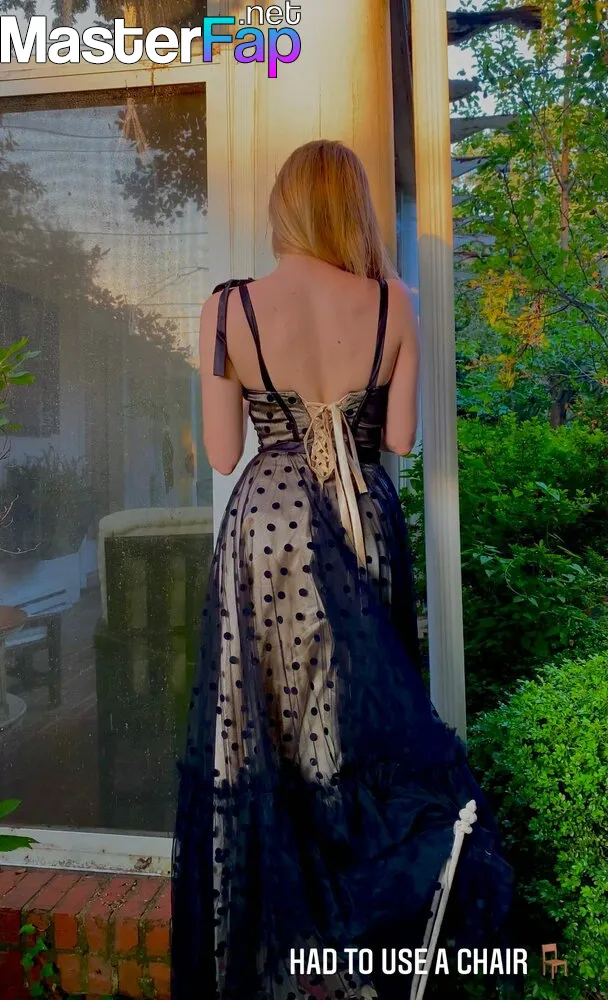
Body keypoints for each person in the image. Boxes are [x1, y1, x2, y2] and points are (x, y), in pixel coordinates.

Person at [171, 139, 513, 1000]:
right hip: (364, 522)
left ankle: (274, 957)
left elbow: (222, 454)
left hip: (271, 530)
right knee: (353, 736)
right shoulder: (394, 302)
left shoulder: (227, 308)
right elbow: (399, 440)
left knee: (263, 734)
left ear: (285, 209)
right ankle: (358, 959)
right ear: (352, 209)